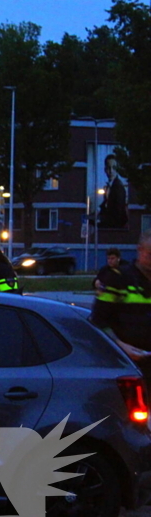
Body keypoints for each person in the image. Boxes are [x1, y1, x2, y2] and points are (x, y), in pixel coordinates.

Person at [91, 230, 151, 374]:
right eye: (150, 255)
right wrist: (120, 346)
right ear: (140, 250)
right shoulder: (118, 279)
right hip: (128, 364)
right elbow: (97, 320)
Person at [98, 155, 129, 229]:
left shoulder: (118, 187)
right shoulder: (110, 186)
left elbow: (118, 212)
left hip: (116, 226)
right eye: (108, 168)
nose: (111, 170)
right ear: (105, 169)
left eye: (113, 167)